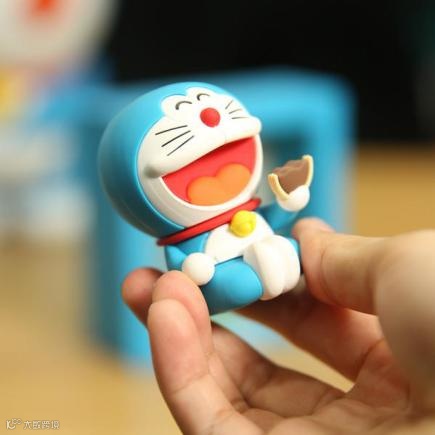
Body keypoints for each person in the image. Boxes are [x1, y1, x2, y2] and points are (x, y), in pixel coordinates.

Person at [122, 218, 435, 434]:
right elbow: (180, 258)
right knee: (227, 284)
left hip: (266, 251)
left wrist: (288, 196)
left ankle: (270, 261)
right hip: (220, 273)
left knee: (280, 254)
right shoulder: (180, 238)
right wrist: (194, 266)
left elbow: (275, 216)